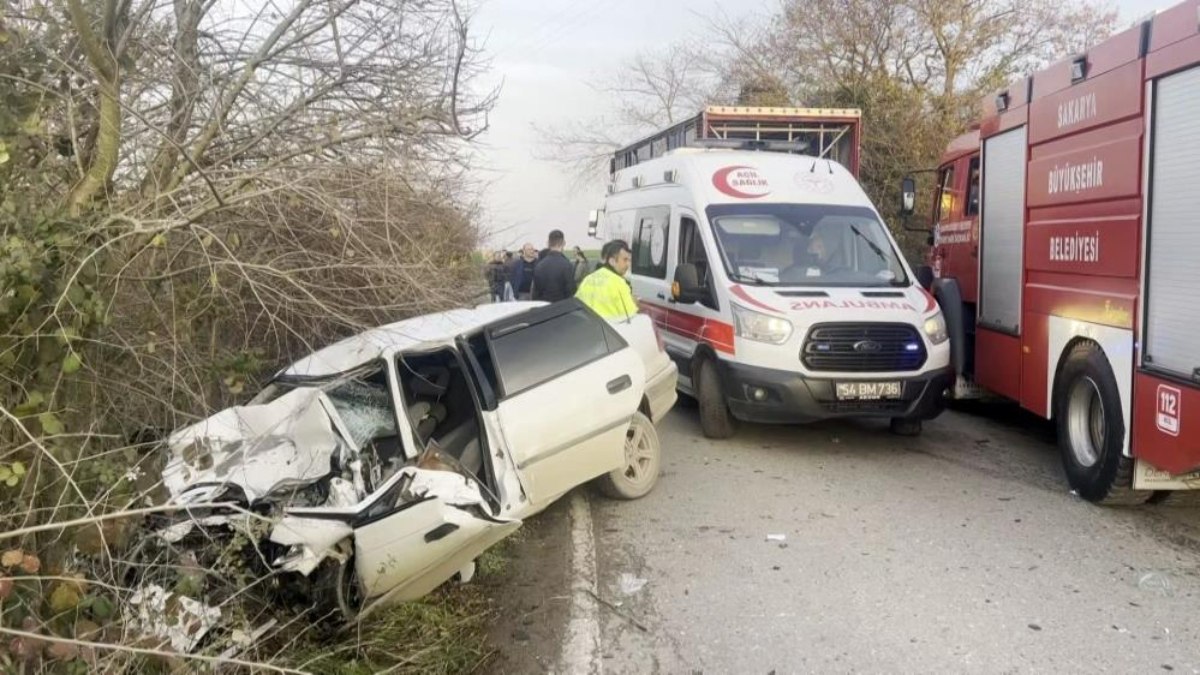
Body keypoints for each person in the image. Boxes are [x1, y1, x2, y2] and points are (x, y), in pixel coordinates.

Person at [576, 239, 637, 320]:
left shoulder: (588, 279)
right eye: (625, 260)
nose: (628, 264)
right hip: (610, 330)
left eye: (629, 260)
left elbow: (576, 306)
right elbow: (631, 316)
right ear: (612, 261)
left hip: (588, 329)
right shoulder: (619, 283)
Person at [531, 230, 577, 302]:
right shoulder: (567, 265)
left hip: (544, 308)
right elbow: (571, 292)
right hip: (561, 308)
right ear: (563, 243)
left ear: (549, 243)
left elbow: (535, 294)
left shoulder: (539, 265)